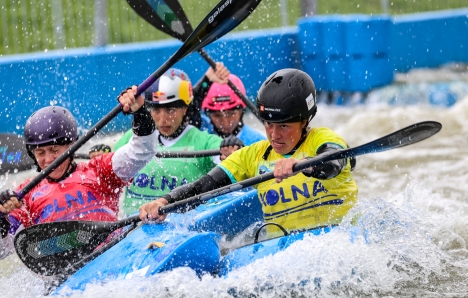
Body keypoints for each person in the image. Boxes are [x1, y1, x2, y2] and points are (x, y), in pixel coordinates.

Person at [138, 69, 358, 238]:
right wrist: (165, 201)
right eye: (268, 125)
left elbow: (334, 162)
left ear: (305, 120)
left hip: (337, 238)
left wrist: (305, 164)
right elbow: (201, 187)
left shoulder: (323, 138)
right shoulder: (252, 156)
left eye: (283, 126)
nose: (274, 135)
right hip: (286, 249)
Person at [0, 86, 157, 262]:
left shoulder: (99, 170)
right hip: (62, 279)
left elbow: (143, 151)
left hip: (111, 259)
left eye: (54, 150)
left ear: (72, 145)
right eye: (40, 153)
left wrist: (140, 112)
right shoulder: (24, 196)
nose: (48, 159)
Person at [113, 68, 243, 216]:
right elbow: (105, 170)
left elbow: (235, 162)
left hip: (179, 232)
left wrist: (232, 151)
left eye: (170, 110)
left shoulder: (204, 142)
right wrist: (101, 153)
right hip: (130, 230)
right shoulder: (133, 138)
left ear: (185, 108)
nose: (162, 120)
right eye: (156, 110)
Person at [196, 71, 266, 145]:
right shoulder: (198, 130)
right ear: (208, 114)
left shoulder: (260, 144)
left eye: (231, 114)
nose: (225, 123)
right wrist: (206, 80)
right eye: (217, 115)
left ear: (241, 111)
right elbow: (188, 111)